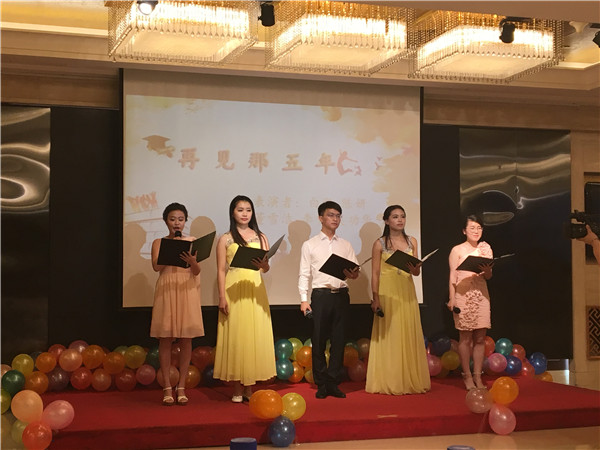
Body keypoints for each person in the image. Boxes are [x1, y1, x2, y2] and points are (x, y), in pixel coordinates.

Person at [213, 195, 276, 402]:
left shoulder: (261, 237)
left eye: (248, 210)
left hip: (254, 288)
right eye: (240, 210)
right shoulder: (225, 238)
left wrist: (264, 265)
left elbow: (266, 268)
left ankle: (249, 387)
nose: (244, 214)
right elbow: (220, 270)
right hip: (233, 288)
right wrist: (221, 297)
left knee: (252, 335)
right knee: (237, 335)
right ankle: (237, 388)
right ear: (233, 212)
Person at [366, 205, 430, 395]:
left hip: (406, 291)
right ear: (387, 221)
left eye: (402, 216)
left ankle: (408, 379)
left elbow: (416, 273)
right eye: (395, 217)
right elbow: (375, 273)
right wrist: (375, 298)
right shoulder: (379, 243)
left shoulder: (412, 241)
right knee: (390, 335)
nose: (400, 220)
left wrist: (415, 268)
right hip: (388, 292)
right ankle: (390, 380)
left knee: (407, 332)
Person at [299, 200, 359, 399]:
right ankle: (322, 383)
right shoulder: (310, 244)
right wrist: (303, 299)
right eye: (331, 215)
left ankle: (333, 382)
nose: (335, 219)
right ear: (320, 218)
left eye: (338, 216)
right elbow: (304, 274)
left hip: (341, 295)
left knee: (339, 341)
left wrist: (353, 274)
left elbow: (355, 272)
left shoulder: (345, 244)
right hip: (321, 295)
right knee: (318, 340)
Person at [150, 202, 204, 406]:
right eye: (172, 219)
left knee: (186, 338)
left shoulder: (192, 241)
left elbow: (197, 271)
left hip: (186, 289)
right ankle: (166, 387)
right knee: (165, 338)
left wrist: (192, 261)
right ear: (166, 221)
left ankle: (181, 387)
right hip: (167, 289)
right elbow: (156, 267)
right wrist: (171, 251)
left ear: (185, 221)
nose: (176, 223)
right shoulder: (159, 242)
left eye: (180, 219)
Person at [447, 215, 493, 390]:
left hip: (481, 294)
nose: (476, 231)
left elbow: (489, 276)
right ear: (464, 231)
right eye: (472, 228)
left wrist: (487, 271)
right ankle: (466, 376)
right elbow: (452, 275)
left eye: (479, 228)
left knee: (480, 338)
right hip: (463, 294)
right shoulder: (457, 250)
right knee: (465, 338)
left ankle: (478, 376)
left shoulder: (485, 248)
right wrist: (452, 298)